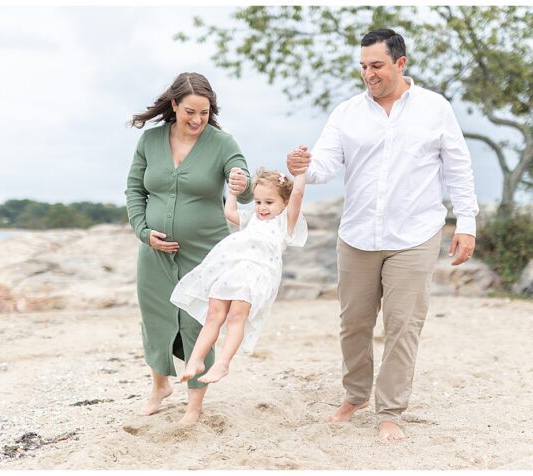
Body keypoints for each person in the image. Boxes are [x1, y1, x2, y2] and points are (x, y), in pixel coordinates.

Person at [286, 28, 479, 441]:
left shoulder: (434, 108)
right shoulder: (347, 113)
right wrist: (302, 165)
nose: (368, 75)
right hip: (357, 233)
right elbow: (323, 165)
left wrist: (466, 224)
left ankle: (389, 409)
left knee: (402, 324)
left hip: (416, 233)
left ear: (400, 64)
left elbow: (458, 168)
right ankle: (354, 396)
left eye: (376, 66)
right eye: (363, 67)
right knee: (353, 323)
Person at [126, 72, 253, 424]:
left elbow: (244, 183)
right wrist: (143, 231)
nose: (197, 120)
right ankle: (159, 386)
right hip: (154, 252)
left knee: (198, 322)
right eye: (190, 112)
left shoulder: (222, 143)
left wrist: (242, 183)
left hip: (206, 252)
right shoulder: (150, 142)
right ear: (174, 106)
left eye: (204, 112)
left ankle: (194, 406)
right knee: (156, 319)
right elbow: (135, 191)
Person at [172, 168, 308, 384]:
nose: (262, 208)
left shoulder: (284, 224)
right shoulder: (251, 218)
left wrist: (300, 173)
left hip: (256, 276)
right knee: (213, 314)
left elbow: (298, 194)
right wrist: (233, 192)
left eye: (269, 202)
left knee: (236, 316)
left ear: (284, 203)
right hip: (231, 271)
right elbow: (230, 213)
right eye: (258, 202)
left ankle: (223, 363)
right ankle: (196, 360)